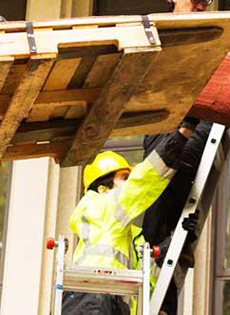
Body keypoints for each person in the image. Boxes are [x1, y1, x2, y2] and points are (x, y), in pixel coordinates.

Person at [141, 0, 217, 315]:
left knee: (168, 212)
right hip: (160, 124)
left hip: (193, 126)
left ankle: (172, 244)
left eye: (206, 1)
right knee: (156, 223)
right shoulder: (157, 37)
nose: (201, 6)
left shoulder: (215, 38)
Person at [64, 123, 194, 315]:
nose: (129, 183)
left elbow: (151, 282)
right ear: (103, 189)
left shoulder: (129, 237)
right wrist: (182, 135)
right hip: (93, 299)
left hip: (109, 304)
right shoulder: (99, 207)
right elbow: (143, 181)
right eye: (124, 178)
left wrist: (180, 240)